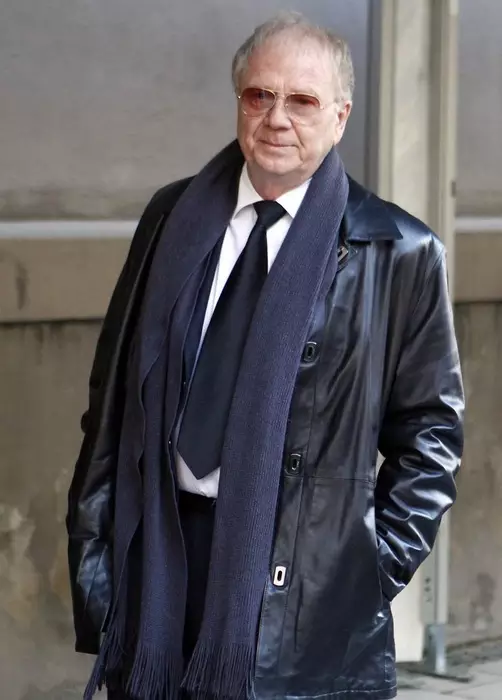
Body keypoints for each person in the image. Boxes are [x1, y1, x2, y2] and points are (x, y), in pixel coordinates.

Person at [66, 11, 464, 700]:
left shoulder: (398, 252)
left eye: (302, 100)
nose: (277, 118)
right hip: (160, 564)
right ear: (240, 103)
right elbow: (110, 404)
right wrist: (96, 559)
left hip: (298, 584)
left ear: (340, 117)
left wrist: (360, 574)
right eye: (260, 95)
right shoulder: (170, 218)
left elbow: (431, 437)